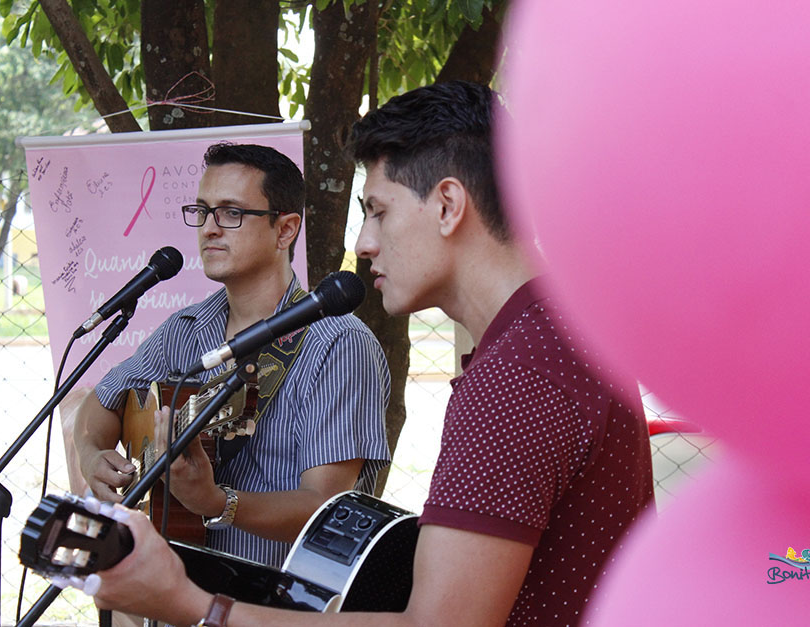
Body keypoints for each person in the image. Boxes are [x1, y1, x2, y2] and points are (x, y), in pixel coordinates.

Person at [78, 82, 654, 626]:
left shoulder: (514, 378)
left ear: (448, 205)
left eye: (377, 210)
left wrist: (194, 605)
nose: (363, 243)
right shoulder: (559, 339)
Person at [73, 142, 391, 568]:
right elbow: (101, 402)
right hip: (180, 591)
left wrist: (215, 501)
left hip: (277, 602)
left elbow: (326, 509)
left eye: (231, 213)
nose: (209, 229)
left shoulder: (338, 345)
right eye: (202, 211)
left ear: (285, 230)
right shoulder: (184, 332)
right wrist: (94, 455)